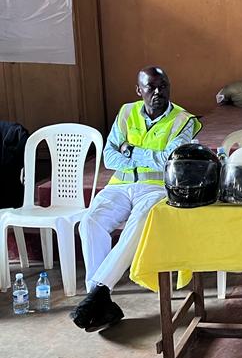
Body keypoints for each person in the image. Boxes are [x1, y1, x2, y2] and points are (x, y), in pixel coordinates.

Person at [70, 67, 201, 332]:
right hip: (120, 185)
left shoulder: (184, 120)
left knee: (139, 222)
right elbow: (109, 157)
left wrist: (130, 150)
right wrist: (145, 154)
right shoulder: (126, 112)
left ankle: (97, 294)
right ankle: (101, 300)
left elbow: (170, 159)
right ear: (138, 90)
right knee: (90, 222)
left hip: (156, 187)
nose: (157, 93)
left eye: (163, 86)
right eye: (150, 87)